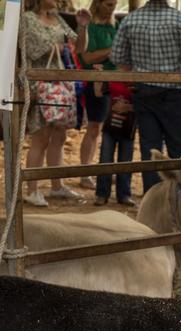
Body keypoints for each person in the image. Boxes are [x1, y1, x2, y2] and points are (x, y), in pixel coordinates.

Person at [110, 0, 181, 192]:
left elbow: (117, 57)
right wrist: (180, 59)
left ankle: (153, 197)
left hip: (144, 90)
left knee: (150, 149)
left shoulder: (131, 20)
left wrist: (137, 62)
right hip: (174, 92)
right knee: (179, 149)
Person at [22, 0, 91, 207]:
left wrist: (83, 26)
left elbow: (79, 47)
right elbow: (33, 50)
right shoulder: (27, 20)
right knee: (41, 137)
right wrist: (59, 47)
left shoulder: (58, 18)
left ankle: (56, 185)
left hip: (60, 85)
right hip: (40, 84)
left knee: (59, 135)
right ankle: (32, 190)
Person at [76, 0, 119, 190]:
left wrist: (106, 54)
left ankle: (101, 169)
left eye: (114, 4)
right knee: (94, 127)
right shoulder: (90, 27)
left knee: (107, 129)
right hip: (96, 81)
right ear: (98, 4)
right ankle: (85, 171)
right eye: (109, 4)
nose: (112, 9)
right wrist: (111, 51)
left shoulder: (115, 25)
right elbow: (87, 57)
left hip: (115, 81)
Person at [94, 80, 136, 206]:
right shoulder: (111, 78)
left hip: (128, 126)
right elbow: (98, 93)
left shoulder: (136, 79)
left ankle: (124, 194)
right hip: (110, 125)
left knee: (125, 160)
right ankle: (102, 194)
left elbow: (142, 102)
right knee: (105, 159)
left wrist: (127, 107)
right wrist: (98, 76)